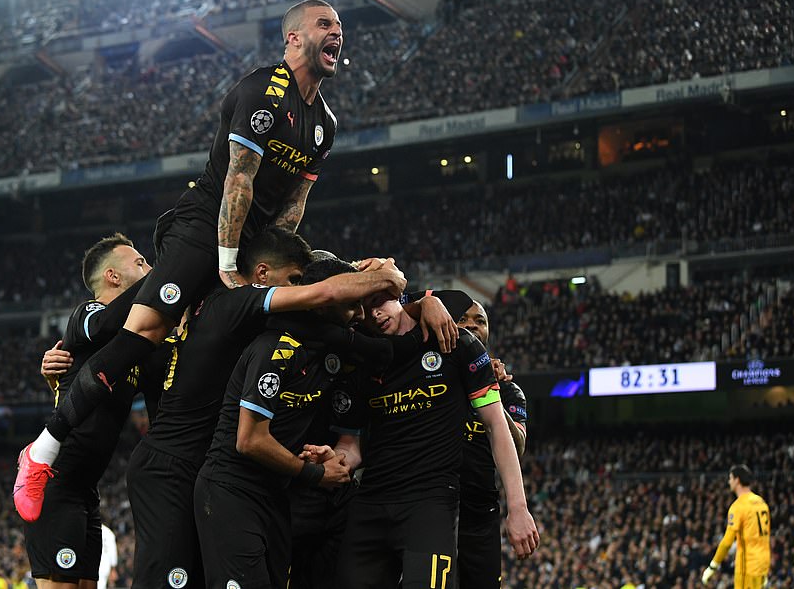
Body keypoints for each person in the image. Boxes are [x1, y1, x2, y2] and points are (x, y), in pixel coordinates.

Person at [14, 0, 345, 514]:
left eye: (340, 26)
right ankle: (42, 449)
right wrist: (229, 265)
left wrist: (266, 262)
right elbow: (238, 179)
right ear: (294, 38)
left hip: (247, 242)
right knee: (145, 331)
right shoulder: (263, 91)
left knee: (214, 341)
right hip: (202, 227)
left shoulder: (324, 123)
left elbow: (293, 204)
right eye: (325, 23)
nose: (337, 32)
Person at [127, 229, 407, 589]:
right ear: (262, 273)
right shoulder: (247, 315)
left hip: (266, 488)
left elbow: (380, 344)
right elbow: (249, 440)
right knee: (166, 581)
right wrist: (389, 276)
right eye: (294, 280)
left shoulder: (315, 341)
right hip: (198, 473)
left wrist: (427, 302)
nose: (298, 289)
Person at [193, 258, 381, 589]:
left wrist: (428, 302)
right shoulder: (276, 348)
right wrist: (315, 474)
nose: (361, 315)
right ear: (323, 304)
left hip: (276, 495)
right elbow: (249, 440)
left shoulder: (330, 352)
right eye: (352, 305)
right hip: (232, 491)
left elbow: (390, 347)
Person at [333, 292, 539, 589]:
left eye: (379, 301)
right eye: (365, 308)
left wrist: (518, 507)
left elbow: (498, 427)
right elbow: (350, 445)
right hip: (372, 502)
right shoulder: (364, 358)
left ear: (398, 295)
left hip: (439, 505)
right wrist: (333, 461)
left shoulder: (460, 347)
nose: (374, 313)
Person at [21, 233, 166, 589]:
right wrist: (164, 279)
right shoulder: (89, 313)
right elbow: (106, 326)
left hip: (87, 489)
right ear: (112, 276)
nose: (149, 269)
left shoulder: (134, 347)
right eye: (140, 263)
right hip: (56, 479)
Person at [456, 301, 528, 589]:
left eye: (480, 320)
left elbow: (518, 446)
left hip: (480, 515)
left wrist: (491, 393)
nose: (472, 325)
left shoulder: (508, 391)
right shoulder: (436, 377)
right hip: (436, 505)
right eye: (463, 318)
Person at [701, 465, 771, 588]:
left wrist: (713, 566)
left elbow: (727, 542)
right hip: (763, 563)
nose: (729, 482)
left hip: (747, 566)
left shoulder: (738, 506)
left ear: (737, 480)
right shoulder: (761, 502)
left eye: (730, 478)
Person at [98, 524, 117, 589]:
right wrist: (113, 567)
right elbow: (112, 552)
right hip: (105, 565)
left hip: (93, 564)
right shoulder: (109, 532)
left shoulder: (90, 529)